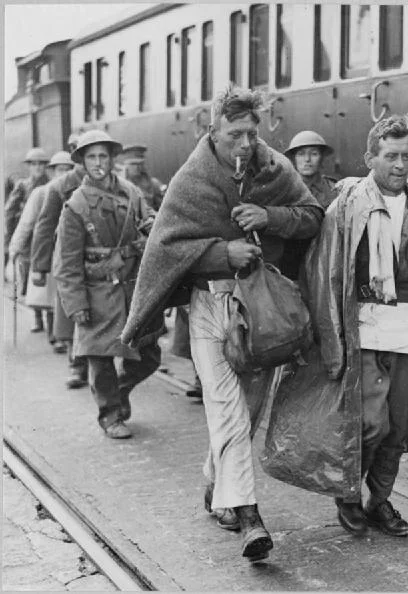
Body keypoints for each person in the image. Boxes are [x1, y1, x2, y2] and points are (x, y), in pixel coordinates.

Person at [120, 85, 323, 562]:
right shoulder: (192, 177)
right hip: (210, 309)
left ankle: (216, 482)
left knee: (248, 412)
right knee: (227, 411)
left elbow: (313, 215)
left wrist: (269, 216)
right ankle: (249, 515)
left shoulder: (275, 167)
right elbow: (167, 247)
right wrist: (220, 252)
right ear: (213, 130)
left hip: (263, 311)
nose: (246, 143)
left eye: (253, 133)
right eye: (235, 134)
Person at [283, 114, 408, 537]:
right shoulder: (348, 205)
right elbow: (325, 271)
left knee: (398, 426)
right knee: (371, 423)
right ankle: (348, 494)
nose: (400, 165)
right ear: (371, 157)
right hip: (362, 329)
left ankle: (379, 501)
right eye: (390, 156)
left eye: (406, 156)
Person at [53, 130, 161, 439]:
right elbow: (68, 263)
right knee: (100, 361)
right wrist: (76, 305)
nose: (98, 163)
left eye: (103, 156)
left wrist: (150, 224)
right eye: (91, 157)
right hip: (97, 292)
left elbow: (149, 217)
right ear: (83, 163)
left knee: (150, 357)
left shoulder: (130, 192)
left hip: (132, 290)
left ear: (112, 159)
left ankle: (120, 390)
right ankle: (110, 415)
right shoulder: (76, 206)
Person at [31, 133, 90, 389]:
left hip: (104, 258)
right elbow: (44, 228)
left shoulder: (110, 182)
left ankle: (102, 368)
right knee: (70, 312)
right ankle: (76, 365)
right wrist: (39, 267)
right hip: (68, 260)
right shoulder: (60, 187)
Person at [7, 151, 75, 350]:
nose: (63, 173)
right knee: (53, 295)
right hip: (48, 251)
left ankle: (66, 338)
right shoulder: (41, 193)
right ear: (52, 171)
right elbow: (26, 222)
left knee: (66, 295)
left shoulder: (78, 192)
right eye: (60, 169)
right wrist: (15, 247)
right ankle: (56, 337)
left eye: (67, 169)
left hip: (71, 252)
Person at [281, 130, 338, 279]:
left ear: (321, 158)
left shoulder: (334, 189)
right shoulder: (283, 189)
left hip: (326, 262)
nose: (307, 159)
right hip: (292, 265)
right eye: (301, 154)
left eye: (314, 154)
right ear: (293, 159)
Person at [5, 148, 50, 325]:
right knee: (27, 280)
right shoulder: (22, 186)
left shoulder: (51, 184)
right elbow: (9, 212)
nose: (38, 167)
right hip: (27, 241)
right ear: (29, 167)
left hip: (45, 239)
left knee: (44, 277)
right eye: (34, 164)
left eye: (41, 164)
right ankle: (37, 317)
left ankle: (47, 318)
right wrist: (10, 239)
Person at [117, 144, 165, 211]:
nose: (137, 167)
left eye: (140, 164)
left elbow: (163, 209)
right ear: (126, 165)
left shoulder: (154, 184)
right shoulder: (117, 185)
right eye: (133, 164)